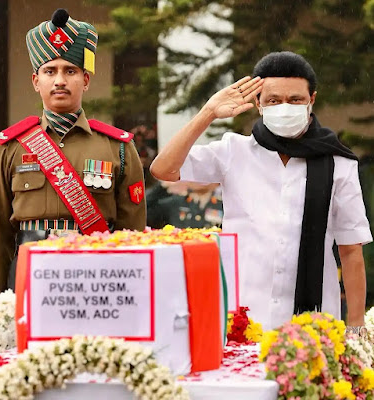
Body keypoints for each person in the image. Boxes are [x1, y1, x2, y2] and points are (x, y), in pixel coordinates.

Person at [150, 51, 372, 331]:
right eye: (273, 100)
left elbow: (351, 250)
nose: (284, 107)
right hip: (242, 318)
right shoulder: (234, 151)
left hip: (313, 325)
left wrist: (355, 328)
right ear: (258, 104)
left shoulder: (338, 162)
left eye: (295, 100)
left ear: (311, 99)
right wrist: (208, 113)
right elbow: (164, 169)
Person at [0, 9, 146, 306]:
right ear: (35, 81)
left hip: (96, 281)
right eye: (50, 71)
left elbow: (131, 236)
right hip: (29, 278)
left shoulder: (118, 148)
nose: (60, 80)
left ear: (85, 80)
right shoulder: (8, 149)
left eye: (70, 71)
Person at [147, 181, 223, 229]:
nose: (199, 179)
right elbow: (146, 214)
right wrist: (162, 186)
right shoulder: (175, 202)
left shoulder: (224, 205)